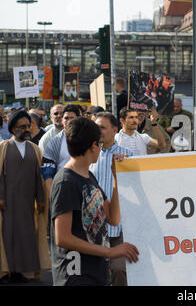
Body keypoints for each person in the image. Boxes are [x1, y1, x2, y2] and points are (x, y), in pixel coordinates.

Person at [49, 117, 139, 286]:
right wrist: (110, 251)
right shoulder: (66, 182)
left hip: (96, 271)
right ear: (93, 146)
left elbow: (113, 218)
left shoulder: (88, 176)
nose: (101, 147)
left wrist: (116, 180)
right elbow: (63, 238)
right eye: (99, 143)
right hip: (76, 275)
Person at [0, 111, 48, 283]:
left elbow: (38, 177)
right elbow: (0, 176)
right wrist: (1, 197)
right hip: (8, 202)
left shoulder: (35, 149)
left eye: (28, 126)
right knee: (8, 236)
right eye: (22, 127)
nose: (27, 129)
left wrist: (41, 199)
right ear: (13, 128)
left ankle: (24, 271)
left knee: (27, 236)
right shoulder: (3, 147)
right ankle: (7, 271)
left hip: (28, 203)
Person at [89, 112, 133, 286]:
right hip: (93, 225)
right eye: (95, 127)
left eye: (102, 127)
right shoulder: (89, 155)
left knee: (119, 269)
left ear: (115, 129)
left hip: (119, 226)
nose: (98, 131)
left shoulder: (127, 155)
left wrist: (126, 167)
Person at [41, 104, 81, 198]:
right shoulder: (54, 142)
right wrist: (54, 196)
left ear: (79, 119)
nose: (69, 121)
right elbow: (47, 173)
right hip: (63, 190)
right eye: (66, 118)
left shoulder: (88, 139)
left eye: (72, 118)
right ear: (62, 120)